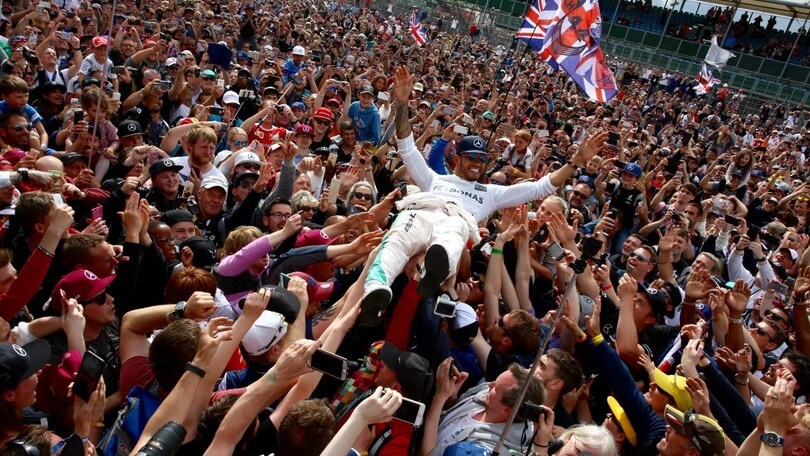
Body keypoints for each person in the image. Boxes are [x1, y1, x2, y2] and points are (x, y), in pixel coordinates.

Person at [360, 66, 608, 325]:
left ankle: (436, 269)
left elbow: (539, 187)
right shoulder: (434, 179)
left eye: (483, 159)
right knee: (400, 234)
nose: (478, 163)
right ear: (457, 159)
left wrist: (576, 162)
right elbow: (407, 146)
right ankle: (377, 288)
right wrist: (401, 104)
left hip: (455, 225)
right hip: (423, 212)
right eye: (471, 158)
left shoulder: (491, 194)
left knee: (455, 229)